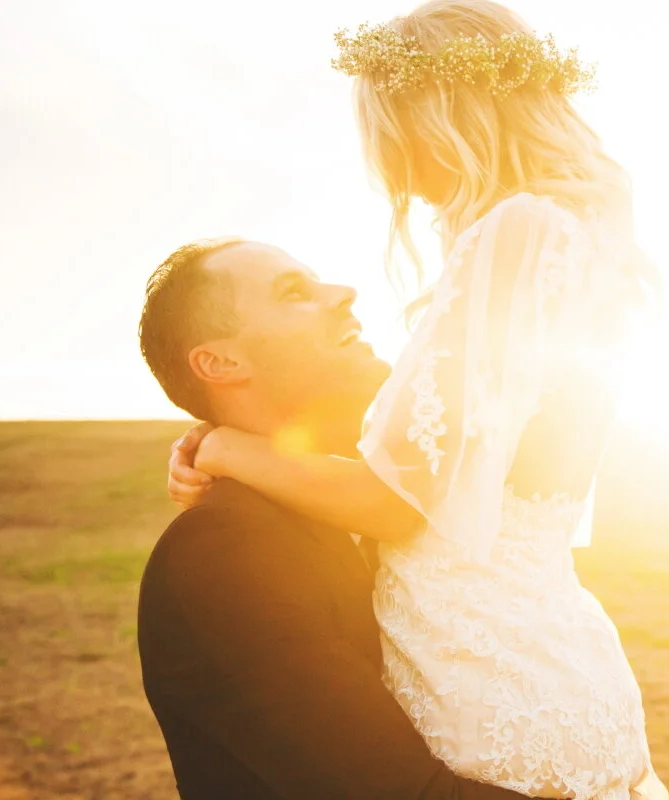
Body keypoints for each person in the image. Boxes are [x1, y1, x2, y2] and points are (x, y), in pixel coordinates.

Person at [168, 2, 667, 797]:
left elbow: (397, 500)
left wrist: (229, 449)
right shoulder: (580, 240)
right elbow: (445, 449)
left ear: (432, 112)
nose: (378, 151)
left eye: (379, 117)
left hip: (479, 677)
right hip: (560, 665)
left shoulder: (517, 232)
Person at [137, 239, 534, 799]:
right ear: (220, 362)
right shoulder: (222, 552)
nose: (343, 293)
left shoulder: (375, 498)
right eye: (293, 292)